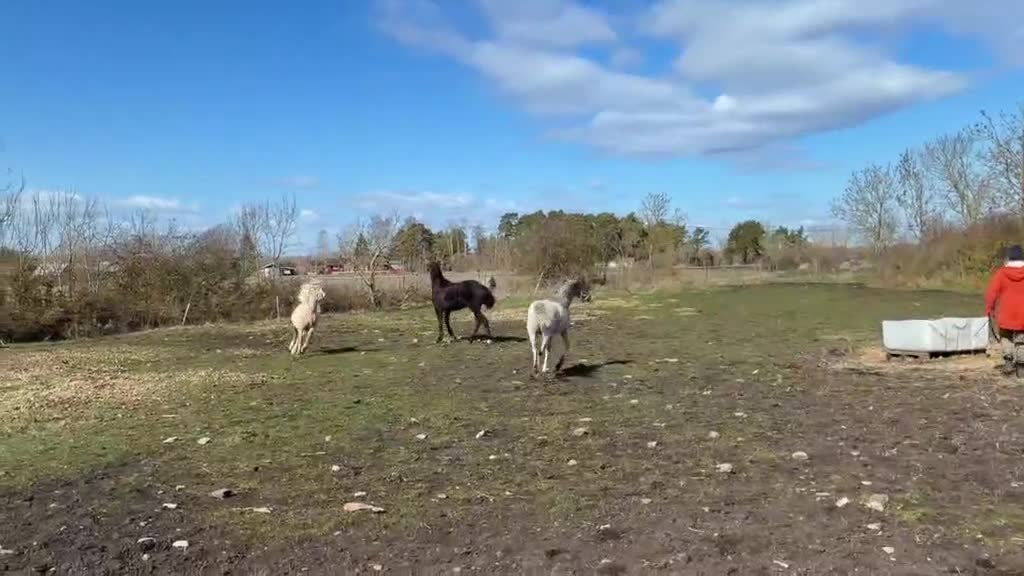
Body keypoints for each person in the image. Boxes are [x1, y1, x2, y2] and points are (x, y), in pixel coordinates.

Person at [985, 244, 1024, 374]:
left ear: (1010, 258)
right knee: (1021, 340)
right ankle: (1021, 366)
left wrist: (989, 308)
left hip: (1006, 313)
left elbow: (992, 292)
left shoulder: (1001, 273)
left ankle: (1008, 361)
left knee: (1006, 337)